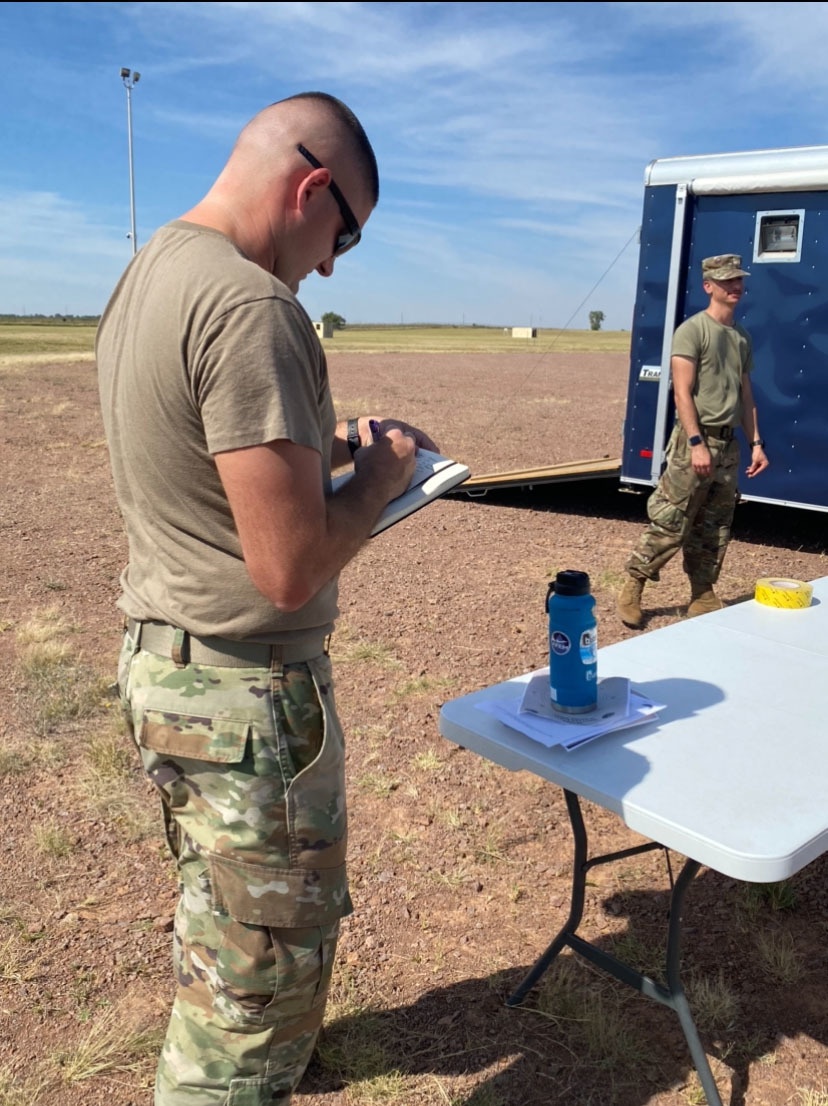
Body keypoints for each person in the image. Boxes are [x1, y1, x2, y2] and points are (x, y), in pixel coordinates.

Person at [96, 91, 438, 1105]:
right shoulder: (254, 306)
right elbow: (288, 566)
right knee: (250, 986)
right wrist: (379, 480)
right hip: (246, 701)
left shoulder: (156, 266)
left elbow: (197, 438)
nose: (332, 262)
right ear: (313, 188)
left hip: (168, 668)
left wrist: (330, 445)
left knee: (226, 918)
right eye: (347, 234)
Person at [617, 253, 770, 628]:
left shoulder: (741, 337)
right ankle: (634, 584)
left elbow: (746, 395)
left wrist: (756, 443)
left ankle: (702, 593)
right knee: (672, 520)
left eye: (738, 280)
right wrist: (697, 442)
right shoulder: (692, 331)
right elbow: (682, 393)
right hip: (693, 444)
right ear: (709, 287)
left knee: (715, 526)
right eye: (726, 281)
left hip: (729, 447)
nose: (735, 286)